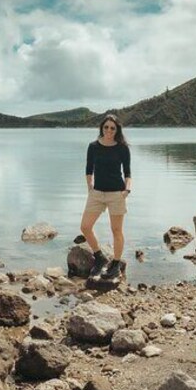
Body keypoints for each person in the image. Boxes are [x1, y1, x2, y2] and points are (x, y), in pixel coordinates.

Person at [80, 114, 132, 280]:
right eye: (106, 127)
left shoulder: (122, 148)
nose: (109, 130)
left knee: (116, 230)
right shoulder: (93, 146)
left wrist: (127, 190)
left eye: (112, 128)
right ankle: (100, 257)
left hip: (117, 193)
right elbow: (89, 169)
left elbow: (128, 173)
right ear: (102, 128)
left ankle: (115, 264)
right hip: (97, 193)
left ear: (117, 130)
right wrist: (90, 187)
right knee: (85, 227)